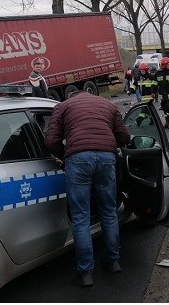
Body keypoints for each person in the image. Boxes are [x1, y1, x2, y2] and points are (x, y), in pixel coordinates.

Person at [44, 91, 130, 288]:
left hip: (78, 159)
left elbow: (50, 141)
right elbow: (124, 136)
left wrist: (65, 155)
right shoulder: (108, 105)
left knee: (81, 216)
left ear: (71, 96)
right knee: (109, 212)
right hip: (107, 159)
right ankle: (113, 261)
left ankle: (85, 272)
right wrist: (107, 145)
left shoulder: (63, 106)